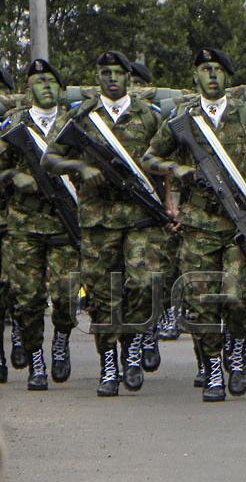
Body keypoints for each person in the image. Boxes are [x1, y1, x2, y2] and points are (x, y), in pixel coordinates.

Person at [142, 48, 246, 402]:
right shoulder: (181, 119)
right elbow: (150, 158)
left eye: (218, 69)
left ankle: (237, 350)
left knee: (235, 297)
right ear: (196, 76)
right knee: (201, 303)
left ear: (227, 77)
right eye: (206, 69)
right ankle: (213, 367)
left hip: (239, 224)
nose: (213, 75)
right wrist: (179, 170)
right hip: (199, 225)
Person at [42, 51, 165, 397]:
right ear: (98, 76)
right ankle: (109, 361)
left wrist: (170, 203)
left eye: (118, 72)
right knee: (102, 294)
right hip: (97, 221)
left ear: (129, 77)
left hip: (141, 217)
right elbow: (49, 158)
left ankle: (135, 346)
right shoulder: (81, 117)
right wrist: (79, 169)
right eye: (105, 72)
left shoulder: (150, 116)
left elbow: (168, 159)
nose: (111, 78)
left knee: (143, 283)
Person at [0, 59, 79, 390]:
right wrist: (16, 176)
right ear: (28, 88)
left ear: (59, 88)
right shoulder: (13, 125)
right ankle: (35, 359)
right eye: (37, 81)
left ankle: (61, 338)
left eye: (50, 80)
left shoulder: (73, 124)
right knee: (27, 298)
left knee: (65, 295)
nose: (44, 86)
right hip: (24, 225)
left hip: (64, 223)